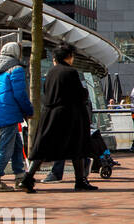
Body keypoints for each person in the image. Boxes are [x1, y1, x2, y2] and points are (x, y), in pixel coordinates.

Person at [24, 44, 96, 191]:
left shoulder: (51, 72)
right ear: (68, 56)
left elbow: (46, 92)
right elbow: (79, 94)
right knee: (77, 147)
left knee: (43, 147)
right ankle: (80, 180)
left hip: (50, 114)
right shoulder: (70, 72)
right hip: (70, 115)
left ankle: (28, 177)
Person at [0, 42, 35, 193]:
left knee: (16, 145)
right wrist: (28, 110)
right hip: (11, 112)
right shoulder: (16, 68)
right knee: (6, 146)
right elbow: (20, 93)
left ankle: (20, 176)